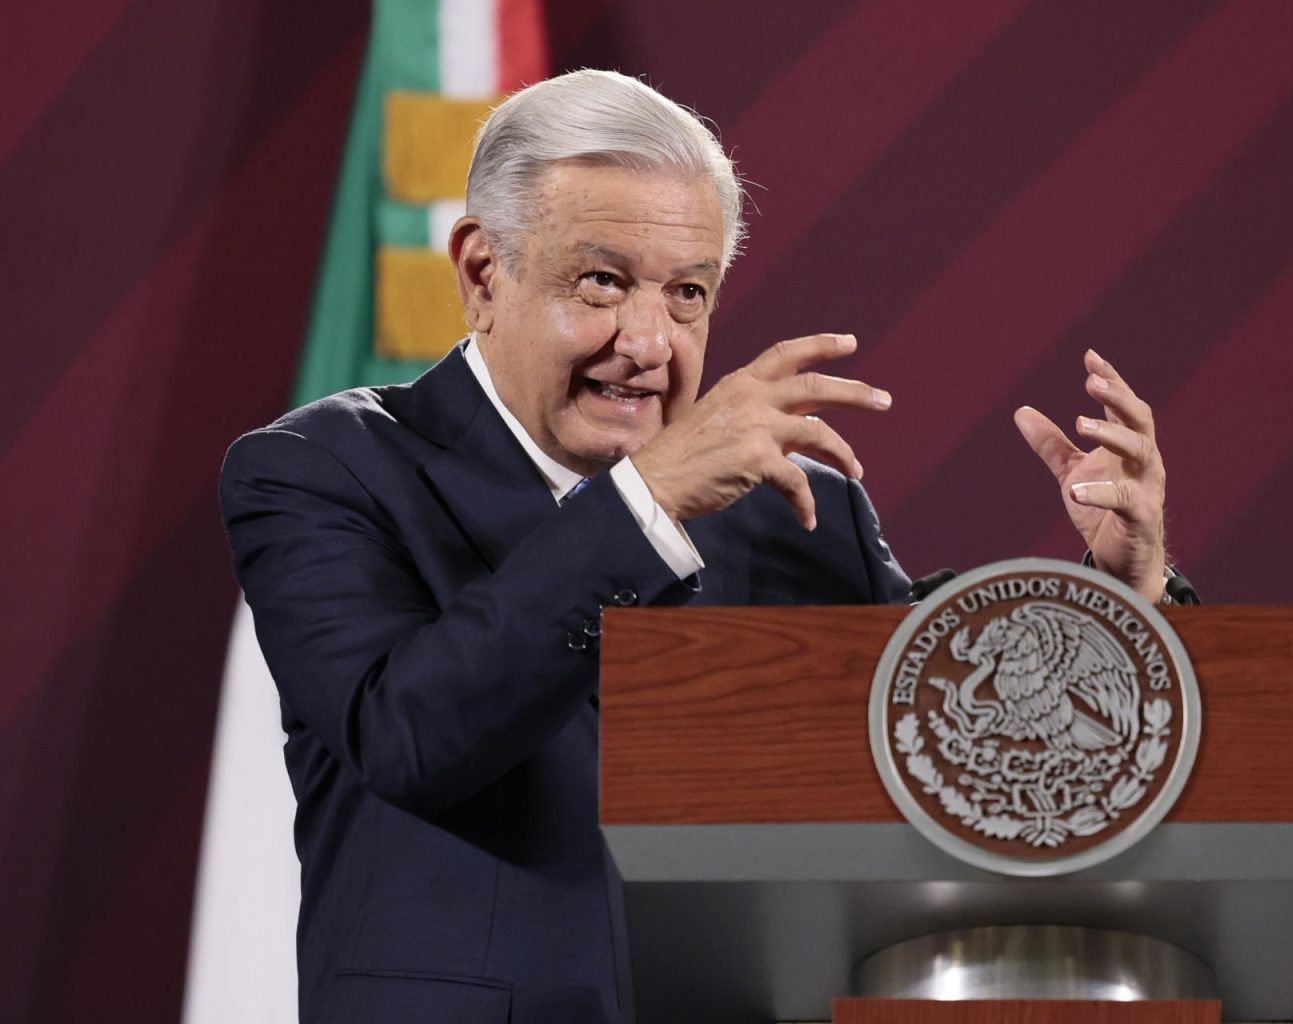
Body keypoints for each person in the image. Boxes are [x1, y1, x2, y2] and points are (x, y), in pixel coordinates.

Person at [220, 69, 1178, 1024]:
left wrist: (1120, 595)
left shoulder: (792, 511)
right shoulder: (318, 472)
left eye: (687, 293)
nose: (648, 342)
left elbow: (960, 741)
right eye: (601, 281)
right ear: (481, 273)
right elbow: (411, 736)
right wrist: (648, 503)